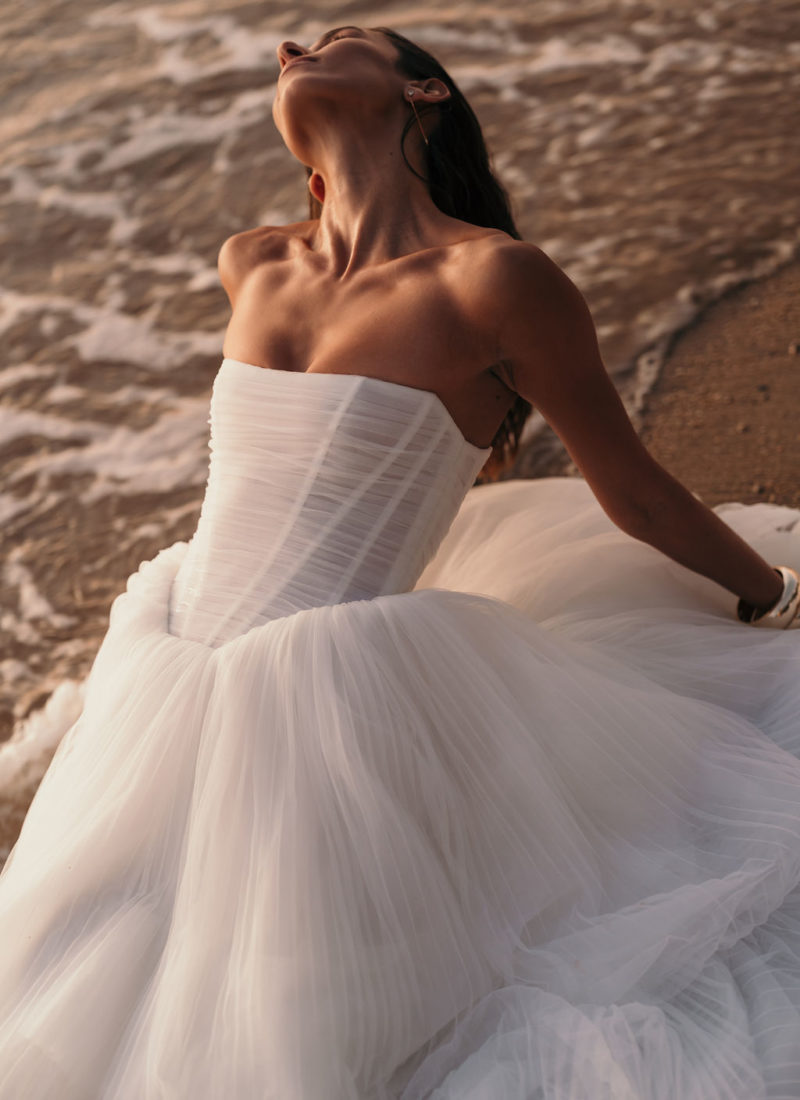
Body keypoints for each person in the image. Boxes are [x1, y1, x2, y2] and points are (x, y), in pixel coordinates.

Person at [0, 23, 797, 1100]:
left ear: (420, 90)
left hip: (337, 697)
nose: (291, 43)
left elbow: (638, 490)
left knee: (310, 1012)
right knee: (102, 980)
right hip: (165, 662)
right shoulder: (253, 261)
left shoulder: (495, 280)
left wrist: (774, 594)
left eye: (337, 39)